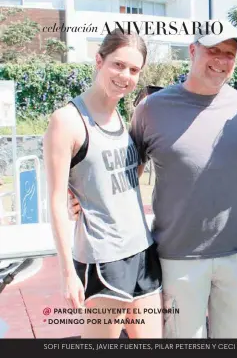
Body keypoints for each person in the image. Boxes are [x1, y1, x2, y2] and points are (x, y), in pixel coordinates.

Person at [71, 21, 237, 338]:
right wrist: (82, 194)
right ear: (192, 51)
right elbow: (124, 169)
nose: (221, 60)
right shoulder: (151, 109)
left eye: (229, 54)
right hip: (177, 257)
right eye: (212, 50)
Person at [43, 29, 163, 339]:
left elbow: (123, 178)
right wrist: (67, 272)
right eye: (118, 65)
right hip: (104, 258)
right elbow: (56, 201)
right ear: (99, 61)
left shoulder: (122, 117)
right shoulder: (67, 121)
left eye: (134, 70)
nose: (125, 75)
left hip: (142, 249)